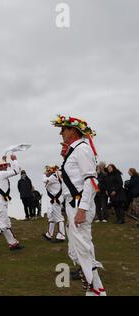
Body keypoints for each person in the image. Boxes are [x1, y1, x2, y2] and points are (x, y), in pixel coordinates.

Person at [52, 114, 106, 296]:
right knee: (79, 249)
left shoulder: (82, 149)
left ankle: (96, 291)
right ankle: (95, 290)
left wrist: (81, 209)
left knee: (82, 249)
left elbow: (90, 180)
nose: (61, 132)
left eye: (64, 129)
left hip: (79, 203)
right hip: (73, 203)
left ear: (73, 131)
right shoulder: (75, 150)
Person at [0, 155, 24, 255]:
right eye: (5, 165)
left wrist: (4, 160)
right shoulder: (1, 174)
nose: (6, 167)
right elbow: (16, 171)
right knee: (1, 224)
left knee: (6, 224)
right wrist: (14, 160)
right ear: (0, 167)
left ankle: (13, 244)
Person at [42, 165, 66, 243]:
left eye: (48, 171)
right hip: (55, 199)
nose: (47, 172)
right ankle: (49, 234)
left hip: (56, 199)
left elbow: (44, 180)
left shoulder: (53, 176)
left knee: (59, 218)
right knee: (52, 217)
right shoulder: (57, 175)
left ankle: (61, 236)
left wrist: (44, 174)